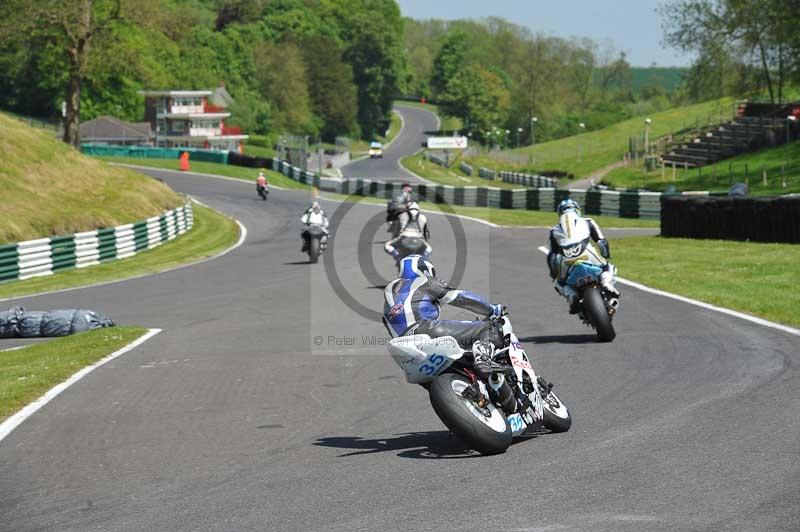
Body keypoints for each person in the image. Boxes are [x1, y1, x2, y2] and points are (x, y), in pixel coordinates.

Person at [382, 255, 504, 376]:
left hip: (403, 347)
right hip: (426, 329)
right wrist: (492, 309)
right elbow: (460, 298)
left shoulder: (388, 298)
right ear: (424, 269)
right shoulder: (424, 281)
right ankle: (483, 360)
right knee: (489, 327)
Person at [547, 199, 618, 313]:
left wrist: (553, 273)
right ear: (577, 210)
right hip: (588, 254)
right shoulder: (588, 221)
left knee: (558, 282)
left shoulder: (554, 230)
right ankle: (606, 282)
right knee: (607, 267)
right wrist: (606, 255)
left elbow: (552, 255)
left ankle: (571, 295)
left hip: (566, 262)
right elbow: (601, 241)